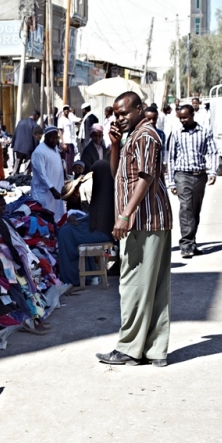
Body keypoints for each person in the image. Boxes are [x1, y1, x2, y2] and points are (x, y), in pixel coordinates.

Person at [96, 91, 173, 367]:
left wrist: (125, 215)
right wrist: (114, 145)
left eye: (124, 113)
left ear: (140, 109)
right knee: (149, 285)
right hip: (144, 220)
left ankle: (130, 348)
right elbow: (118, 175)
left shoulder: (146, 135)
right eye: (116, 114)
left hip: (145, 220)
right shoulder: (132, 136)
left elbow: (146, 176)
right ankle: (151, 350)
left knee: (133, 284)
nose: (120, 118)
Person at [167, 104, 219, 258]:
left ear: (192, 115)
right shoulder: (176, 133)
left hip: (199, 176)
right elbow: (170, 158)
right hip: (182, 175)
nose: (182, 120)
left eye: (185, 117)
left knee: (195, 210)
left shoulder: (204, 132)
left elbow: (213, 152)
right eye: (180, 118)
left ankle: (192, 242)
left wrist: (213, 172)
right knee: (186, 208)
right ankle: (186, 245)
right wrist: (171, 182)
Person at [56, 159, 115, 286]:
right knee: (70, 229)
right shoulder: (108, 187)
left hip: (102, 231)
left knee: (65, 232)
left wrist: (79, 220)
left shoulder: (88, 188)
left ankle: (73, 277)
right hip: (103, 229)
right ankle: (90, 273)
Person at [30, 126, 65, 221]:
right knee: (44, 218)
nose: (54, 140)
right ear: (45, 137)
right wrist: (53, 190)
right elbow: (42, 175)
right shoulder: (39, 152)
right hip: (45, 192)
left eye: (56, 138)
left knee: (56, 216)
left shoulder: (55, 148)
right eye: (51, 138)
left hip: (56, 189)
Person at [57, 105, 79, 173]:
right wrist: (63, 143)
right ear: (63, 110)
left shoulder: (69, 119)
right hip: (65, 142)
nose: (66, 110)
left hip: (71, 141)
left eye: (67, 109)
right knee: (66, 161)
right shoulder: (61, 119)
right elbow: (60, 131)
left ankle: (69, 174)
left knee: (70, 160)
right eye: (65, 109)